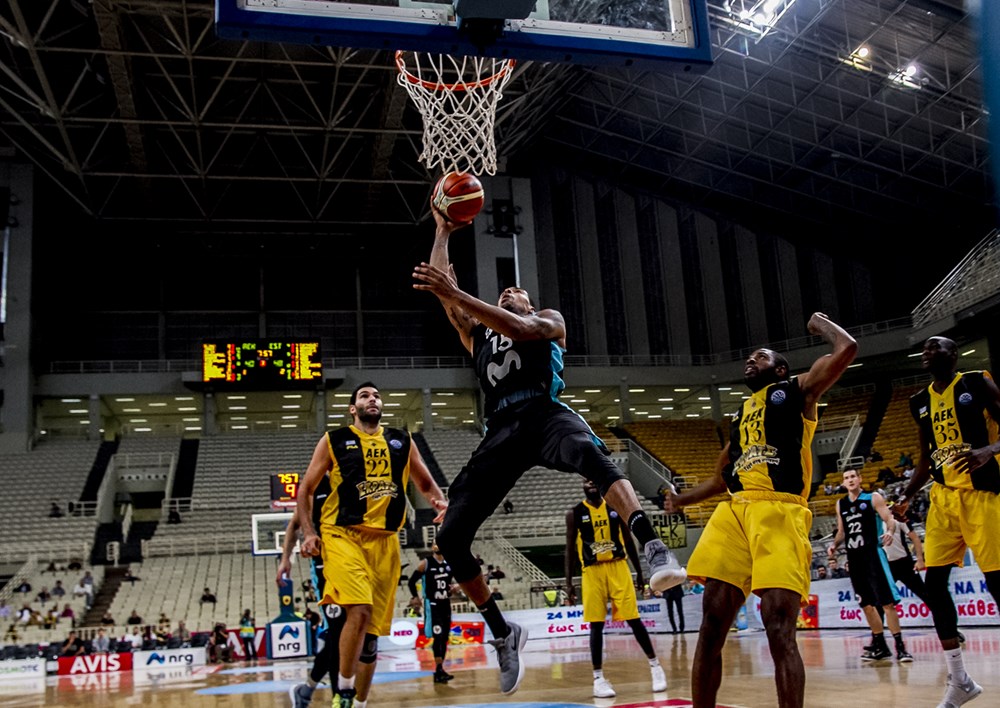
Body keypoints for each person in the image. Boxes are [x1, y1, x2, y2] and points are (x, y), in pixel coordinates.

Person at [412, 211, 685, 695]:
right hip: (500, 429)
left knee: (591, 453)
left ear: (529, 301)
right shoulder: (476, 332)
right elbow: (445, 294)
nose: (507, 293)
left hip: (544, 412)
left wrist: (457, 293)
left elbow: (519, 329)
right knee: (451, 536)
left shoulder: (548, 320)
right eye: (502, 294)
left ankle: (652, 545)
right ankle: (502, 631)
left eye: (514, 293)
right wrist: (443, 231)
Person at [664, 312, 857, 708]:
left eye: (760, 357)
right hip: (735, 512)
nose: (750, 361)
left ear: (780, 368)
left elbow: (847, 348)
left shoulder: (798, 391)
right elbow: (722, 478)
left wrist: (819, 324)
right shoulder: (740, 417)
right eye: (749, 357)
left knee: (779, 629)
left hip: (780, 511)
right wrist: (681, 500)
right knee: (711, 625)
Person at [297, 381, 449, 708]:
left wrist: (440, 503)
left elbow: (423, 482)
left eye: (377, 395)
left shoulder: (401, 441)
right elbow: (305, 489)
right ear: (353, 408)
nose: (373, 399)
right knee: (360, 610)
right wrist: (309, 533)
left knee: (370, 642)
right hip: (342, 535)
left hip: (385, 542)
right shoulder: (334, 440)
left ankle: (360, 704)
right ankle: (345, 693)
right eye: (365, 396)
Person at [898, 335, 1000, 707]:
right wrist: (907, 495)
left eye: (935, 347)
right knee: (935, 583)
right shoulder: (919, 401)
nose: (927, 353)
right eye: (924, 349)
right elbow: (926, 458)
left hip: (983, 496)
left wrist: (990, 449)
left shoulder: (976, 382)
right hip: (943, 500)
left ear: (953, 354)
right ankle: (959, 680)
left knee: (997, 583)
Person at [565, 479, 668, 698]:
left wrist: (639, 573)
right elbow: (569, 550)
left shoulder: (613, 508)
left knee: (633, 618)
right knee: (596, 625)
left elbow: (629, 541)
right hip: (592, 571)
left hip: (618, 566)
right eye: (586, 480)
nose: (591, 483)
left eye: (594, 479)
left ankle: (655, 666)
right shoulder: (575, 513)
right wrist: (568, 584)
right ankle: (598, 678)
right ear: (582, 484)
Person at [828, 469, 912, 663]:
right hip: (854, 558)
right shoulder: (841, 504)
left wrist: (890, 531)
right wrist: (834, 544)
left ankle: (901, 648)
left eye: (853, 477)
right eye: (846, 478)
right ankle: (881, 646)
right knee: (866, 604)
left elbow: (889, 519)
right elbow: (841, 531)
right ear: (843, 483)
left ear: (860, 479)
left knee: (887, 603)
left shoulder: (872, 498)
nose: (850, 480)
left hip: (873, 555)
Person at [284, 471, 348, 708]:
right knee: (336, 633)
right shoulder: (315, 486)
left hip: (351, 565)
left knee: (344, 635)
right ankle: (338, 697)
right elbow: (294, 525)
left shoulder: (351, 481)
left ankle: (307, 690)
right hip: (325, 569)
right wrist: (285, 560)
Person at [408, 544, 458, 684]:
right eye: (435, 543)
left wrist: (453, 589)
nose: (437, 545)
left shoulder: (449, 563)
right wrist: (415, 597)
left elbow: (451, 584)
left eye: (439, 542)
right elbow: (411, 582)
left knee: (444, 638)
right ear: (432, 547)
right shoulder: (426, 563)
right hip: (433, 605)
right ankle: (438, 669)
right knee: (438, 636)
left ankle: (440, 669)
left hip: (445, 604)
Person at [884, 501, 930, 607]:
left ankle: (943, 621)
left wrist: (919, 560)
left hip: (904, 563)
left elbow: (915, 538)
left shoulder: (898, 519)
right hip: (887, 565)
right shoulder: (873, 522)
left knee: (924, 594)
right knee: (883, 599)